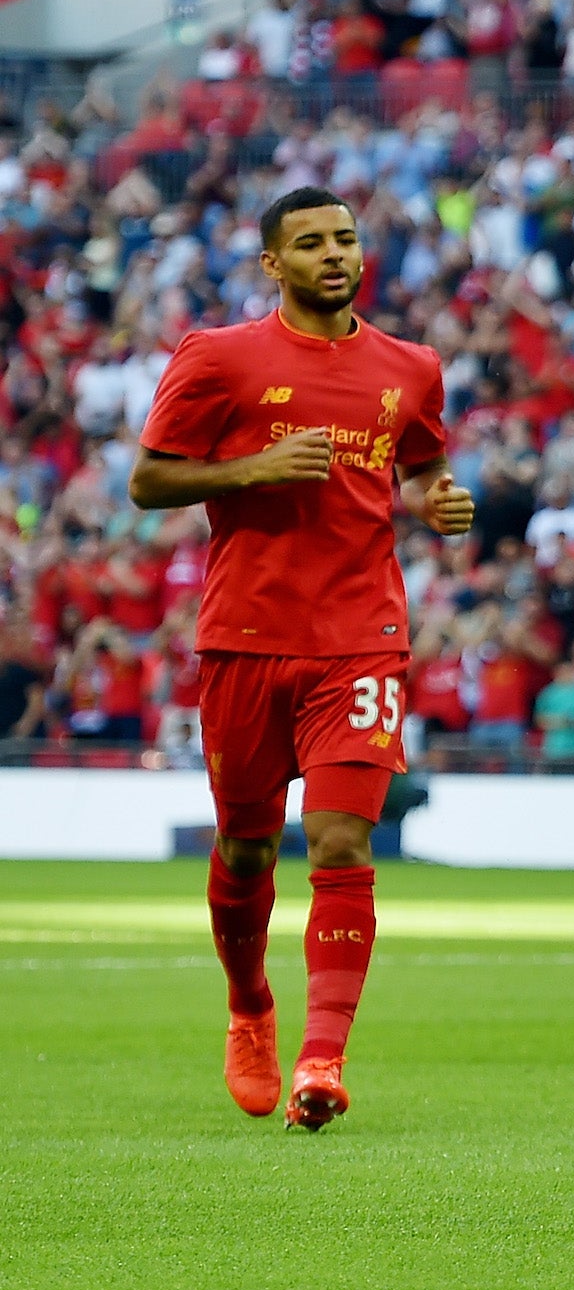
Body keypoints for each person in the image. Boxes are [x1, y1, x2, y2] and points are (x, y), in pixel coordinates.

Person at [128, 186, 474, 1129]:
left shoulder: (411, 366)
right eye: (311, 243)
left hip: (362, 640)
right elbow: (149, 479)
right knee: (244, 844)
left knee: (339, 841)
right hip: (244, 637)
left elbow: (422, 461)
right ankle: (251, 1010)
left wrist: (440, 497)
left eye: (347, 239)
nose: (335, 254)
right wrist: (250, 470)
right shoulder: (219, 357)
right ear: (272, 265)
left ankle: (323, 1060)